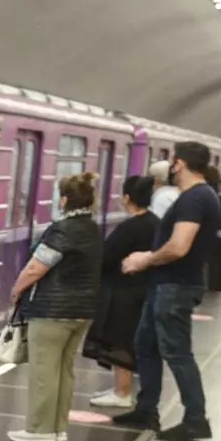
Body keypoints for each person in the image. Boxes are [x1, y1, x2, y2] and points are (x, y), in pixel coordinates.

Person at [114, 139, 219, 441]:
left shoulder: (194, 199)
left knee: (176, 352)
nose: (171, 165)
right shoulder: (198, 196)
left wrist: (145, 259)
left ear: (180, 164)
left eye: (173, 160)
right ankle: (147, 409)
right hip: (166, 283)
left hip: (175, 285)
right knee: (145, 344)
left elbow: (178, 246)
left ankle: (196, 419)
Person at [7, 172, 102, 441]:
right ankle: (58, 428)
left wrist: (17, 289)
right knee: (64, 369)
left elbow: (38, 266)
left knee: (43, 369)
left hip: (52, 310)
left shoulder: (63, 229)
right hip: (82, 311)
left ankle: (39, 430)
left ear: (64, 200)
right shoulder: (91, 227)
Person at [85, 175, 158, 410]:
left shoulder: (129, 227)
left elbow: (106, 257)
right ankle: (121, 388)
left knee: (121, 342)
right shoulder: (156, 222)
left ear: (127, 198)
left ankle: (122, 391)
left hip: (125, 293)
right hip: (146, 289)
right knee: (132, 341)